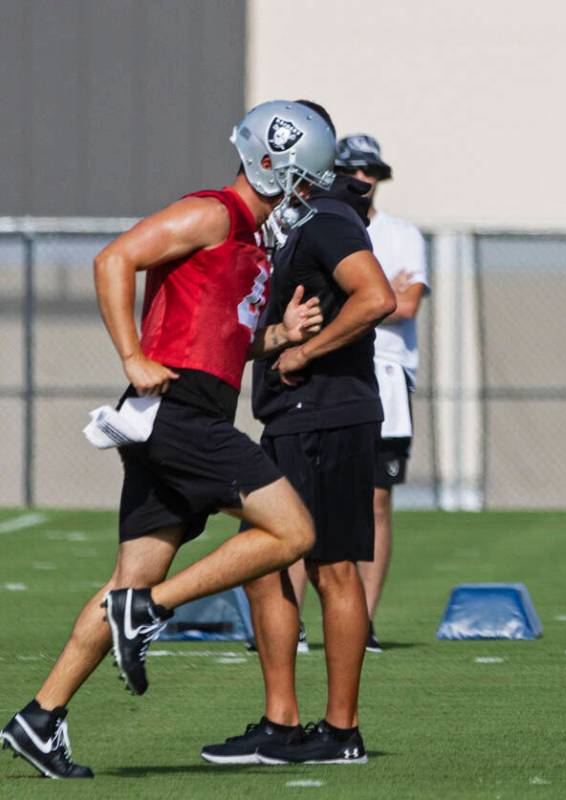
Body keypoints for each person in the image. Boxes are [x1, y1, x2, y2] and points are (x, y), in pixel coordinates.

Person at [0, 100, 337, 779]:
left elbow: (221, 343)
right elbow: (114, 258)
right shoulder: (213, 213)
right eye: (303, 179)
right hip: (178, 412)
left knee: (131, 576)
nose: (305, 195)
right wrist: (129, 354)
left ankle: (41, 719)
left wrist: (279, 338)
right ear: (272, 163)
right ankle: (149, 612)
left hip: (187, 413)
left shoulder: (249, 242)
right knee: (293, 533)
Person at [201, 113, 396, 766]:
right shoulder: (291, 230)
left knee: (328, 568)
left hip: (325, 415)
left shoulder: (330, 216)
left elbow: (375, 299)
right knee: (265, 563)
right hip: (296, 416)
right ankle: (282, 723)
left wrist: (303, 351)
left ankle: (338, 732)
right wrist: (280, 340)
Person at [285, 133, 429, 654]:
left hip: (387, 378)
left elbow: (400, 304)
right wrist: (374, 292)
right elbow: (370, 296)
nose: (362, 180)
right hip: (329, 376)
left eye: (371, 172)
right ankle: (289, 623)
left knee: (376, 502)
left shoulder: (402, 234)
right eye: (352, 169)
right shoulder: (317, 221)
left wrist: (366, 295)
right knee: (296, 502)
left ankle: (361, 623)